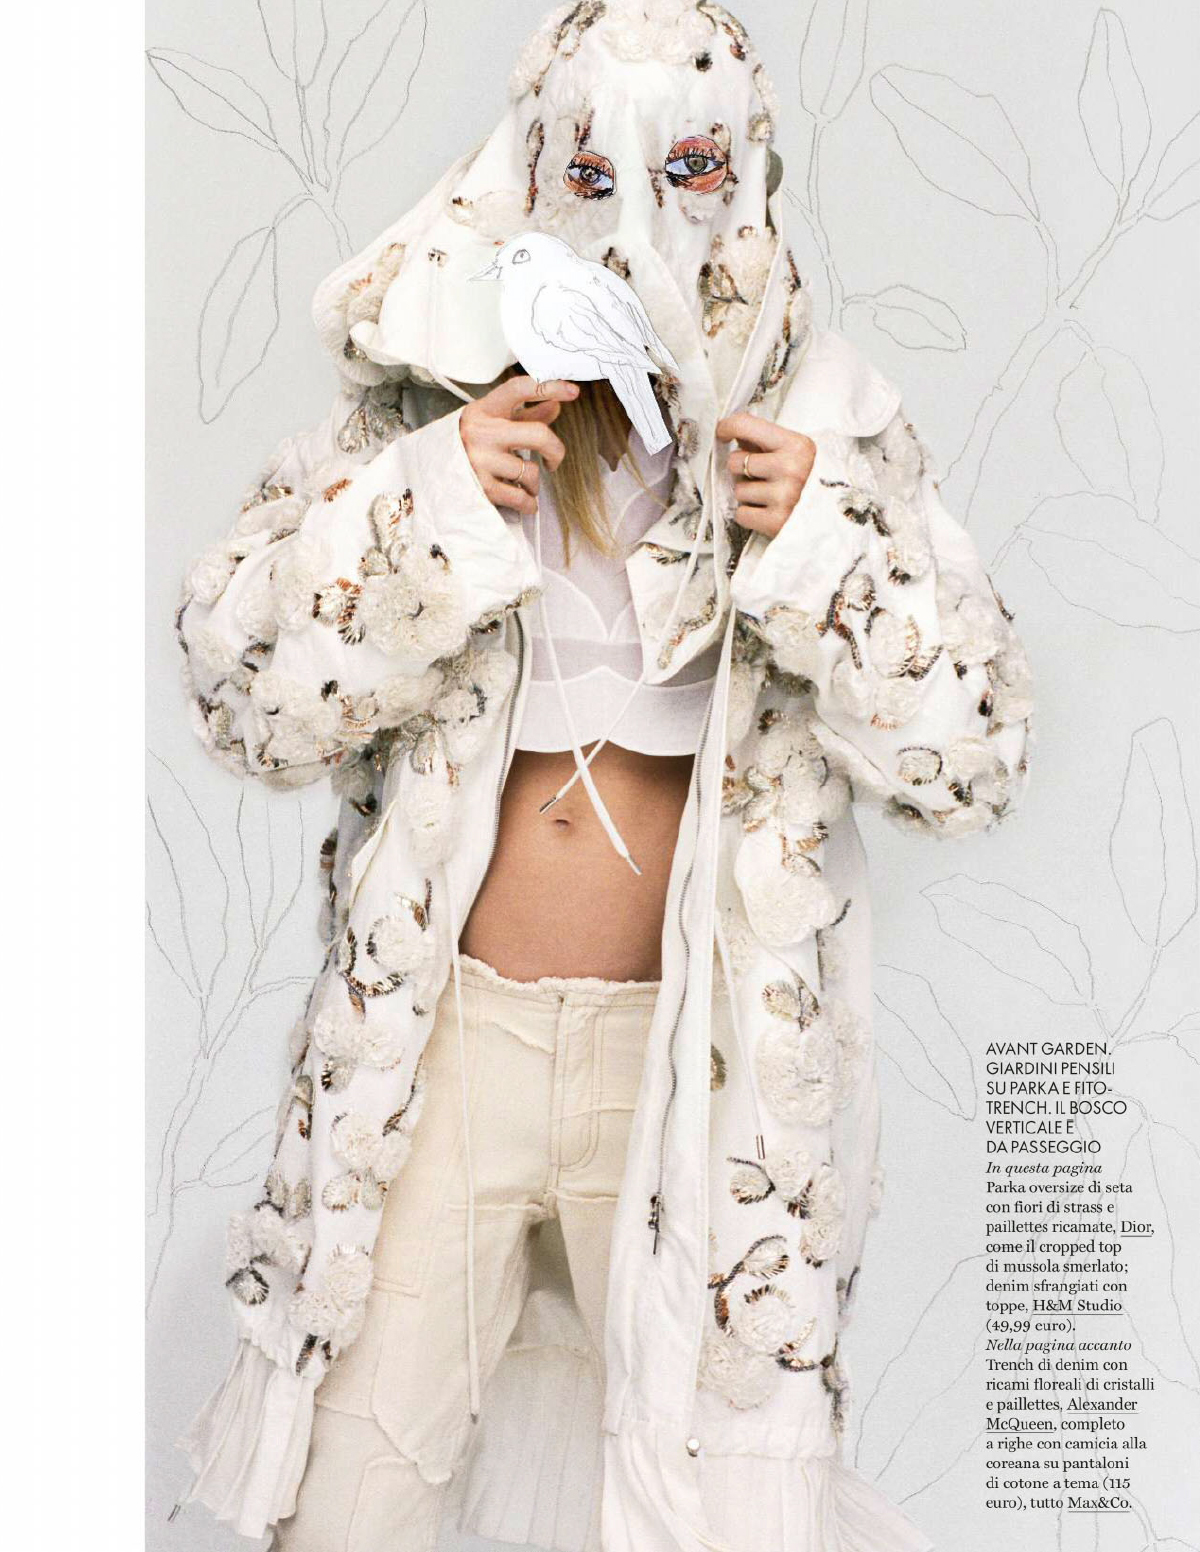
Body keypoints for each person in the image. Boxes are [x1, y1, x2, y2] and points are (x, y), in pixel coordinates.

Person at [172, 3, 1033, 1549]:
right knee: (347, 1498)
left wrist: (826, 541)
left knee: (701, 1510)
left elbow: (971, 760)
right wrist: (432, 499)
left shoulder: (826, 423)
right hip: (447, 1046)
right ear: (532, 167)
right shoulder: (432, 397)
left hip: (692, 1075)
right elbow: (242, 694)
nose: (638, 217)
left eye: (687, 166)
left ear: (745, 168)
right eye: (590, 172)